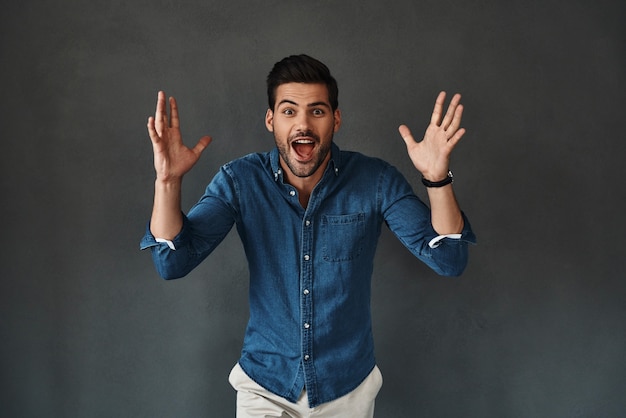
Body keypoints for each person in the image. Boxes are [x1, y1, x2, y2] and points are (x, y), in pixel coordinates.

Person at [140, 54, 476, 417]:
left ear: (336, 119)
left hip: (347, 386)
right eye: (288, 111)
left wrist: (437, 178)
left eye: (317, 111)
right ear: (271, 120)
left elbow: (449, 260)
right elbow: (172, 262)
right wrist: (168, 182)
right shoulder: (239, 181)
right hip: (265, 385)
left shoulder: (375, 180)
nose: (303, 123)